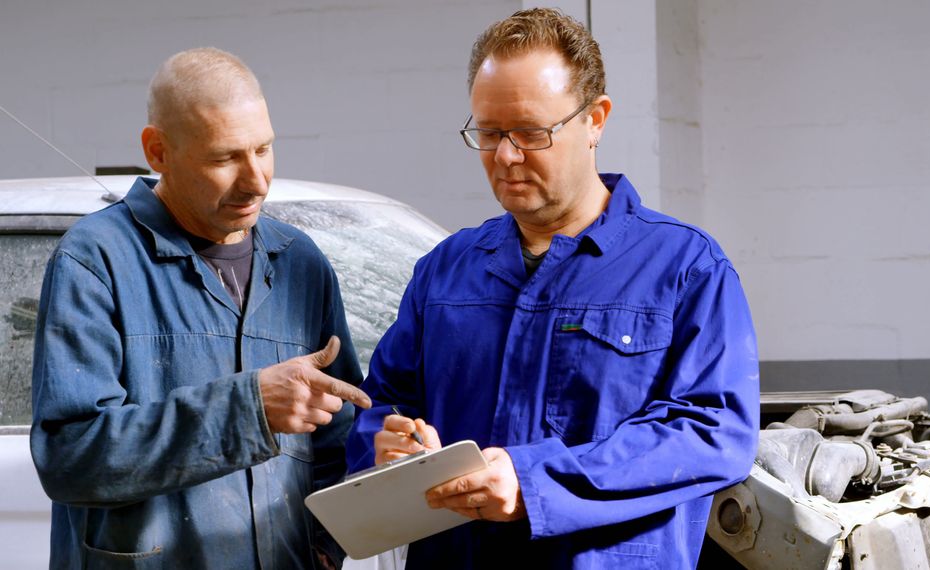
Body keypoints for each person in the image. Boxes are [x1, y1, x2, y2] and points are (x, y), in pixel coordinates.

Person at [346, 8, 759, 569]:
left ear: (596, 120)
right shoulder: (445, 272)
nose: (506, 156)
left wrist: (535, 483)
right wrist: (384, 446)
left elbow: (714, 433)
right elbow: (383, 403)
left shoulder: (686, 268)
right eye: (488, 133)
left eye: (531, 133)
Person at [30, 47, 370, 569]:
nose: (256, 180)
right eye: (224, 158)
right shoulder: (95, 260)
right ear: (157, 150)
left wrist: (326, 543)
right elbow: (70, 458)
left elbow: (337, 440)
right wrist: (248, 410)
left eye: (264, 149)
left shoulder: (302, 265)